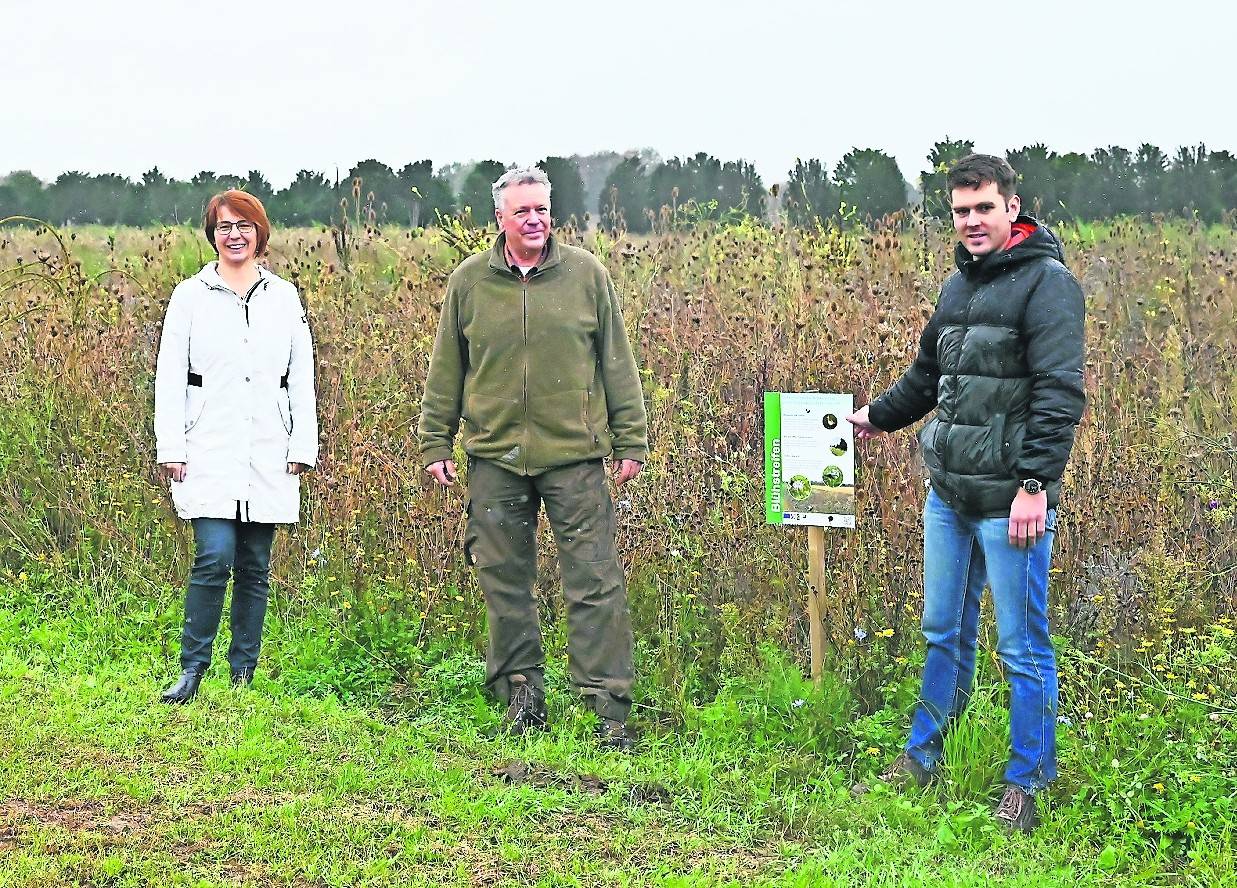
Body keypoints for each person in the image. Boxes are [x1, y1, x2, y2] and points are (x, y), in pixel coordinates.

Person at [847, 154, 1085, 831]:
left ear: (1011, 207)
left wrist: (1035, 485)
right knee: (942, 632)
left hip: (1011, 499)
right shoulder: (959, 286)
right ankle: (921, 757)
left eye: (983, 207)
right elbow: (928, 374)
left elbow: (1059, 393)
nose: (971, 221)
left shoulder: (1048, 285)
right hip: (948, 493)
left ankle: (1027, 783)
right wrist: (879, 416)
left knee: (1022, 645)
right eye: (960, 211)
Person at [419, 167, 648, 749]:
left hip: (574, 456)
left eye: (543, 209)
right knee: (505, 579)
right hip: (495, 455)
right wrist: (436, 441)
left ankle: (607, 705)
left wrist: (631, 440)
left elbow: (616, 364)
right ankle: (521, 692)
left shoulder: (586, 276)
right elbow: (448, 368)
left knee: (594, 579)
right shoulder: (470, 282)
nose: (535, 220)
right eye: (522, 211)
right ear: (499, 219)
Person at [154, 190, 318, 704]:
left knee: (254, 564)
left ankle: (243, 672)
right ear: (212, 234)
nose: (235, 235)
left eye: (244, 225)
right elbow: (170, 377)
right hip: (208, 445)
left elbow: (301, 378)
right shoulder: (190, 296)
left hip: (269, 444)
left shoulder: (284, 297)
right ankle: (191, 669)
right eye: (224, 226)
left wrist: (301, 443)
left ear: (259, 232)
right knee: (213, 556)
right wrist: (172, 447)